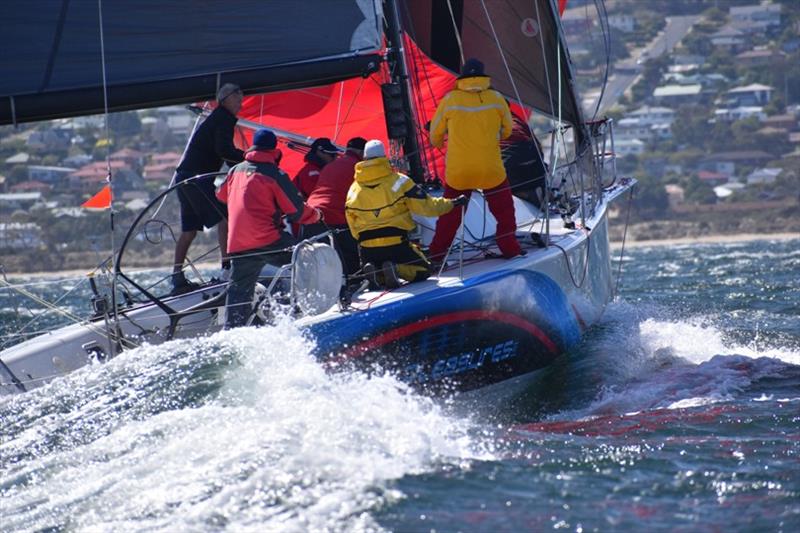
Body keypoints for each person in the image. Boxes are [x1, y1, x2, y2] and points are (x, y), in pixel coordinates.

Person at [216, 129, 321, 328]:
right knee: (307, 260)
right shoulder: (274, 173)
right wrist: (317, 215)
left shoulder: (234, 171)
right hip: (268, 239)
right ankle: (310, 312)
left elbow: (221, 196)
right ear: (274, 149)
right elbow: (297, 212)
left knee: (238, 290)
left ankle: (232, 330)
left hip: (238, 243)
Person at [427, 58, 523, 262]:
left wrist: (438, 144)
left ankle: (436, 255)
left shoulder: (450, 100)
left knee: (449, 216)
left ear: (463, 78)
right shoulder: (496, 98)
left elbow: (434, 133)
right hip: (491, 169)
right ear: (483, 76)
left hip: (459, 171)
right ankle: (510, 249)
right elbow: (507, 130)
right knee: (505, 211)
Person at [345, 140, 465, 288]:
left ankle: (377, 272)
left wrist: (363, 239)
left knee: (378, 267)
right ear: (384, 157)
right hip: (396, 244)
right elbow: (428, 208)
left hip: (367, 248)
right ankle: (395, 269)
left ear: (364, 159)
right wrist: (452, 203)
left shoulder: (353, 189)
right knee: (424, 269)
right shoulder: (400, 181)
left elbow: (351, 222)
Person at [171, 82, 245, 294]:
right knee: (225, 218)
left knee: (189, 232)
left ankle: (177, 276)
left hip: (183, 177)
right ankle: (227, 269)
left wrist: (236, 165)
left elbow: (222, 150)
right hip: (196, 178)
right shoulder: (223, 118)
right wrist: (246, 160)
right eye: (238, 97)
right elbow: (223, 149)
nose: (241, 102)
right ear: (226, 98)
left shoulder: (218, 118)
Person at [303, 137, 367, 276]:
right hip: (334, 218)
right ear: (363, 153)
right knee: (352, 263)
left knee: (323, 268)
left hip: (310, 215)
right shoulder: (359, 168)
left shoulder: (330, 166)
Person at [501, 105, 548, 209]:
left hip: (511, 176)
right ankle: (534, 191)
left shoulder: (483, 122)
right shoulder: (517, 120)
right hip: (537, 174)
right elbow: (539, 151)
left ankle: (522, 193)